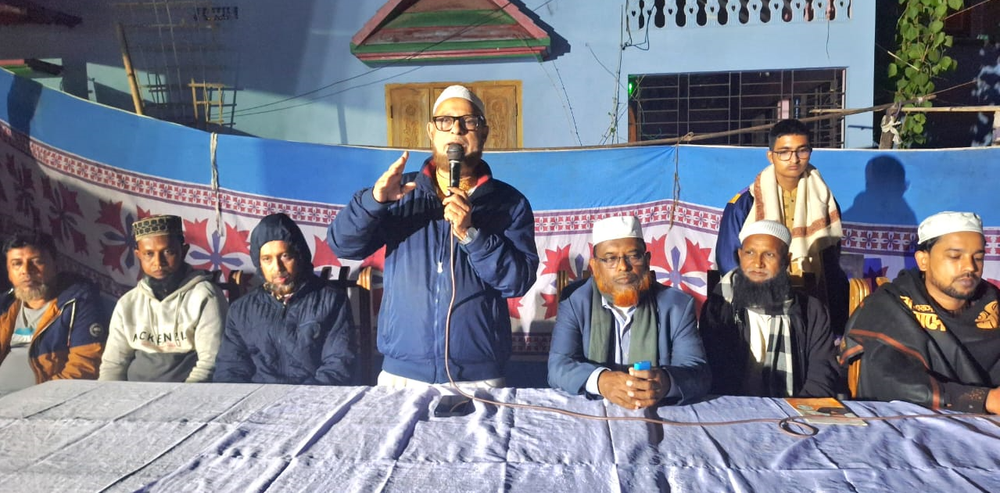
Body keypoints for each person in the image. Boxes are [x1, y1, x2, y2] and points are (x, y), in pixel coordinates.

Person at [328, 85, 538, 388]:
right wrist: (374, 202)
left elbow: (517, 282)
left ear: (484, 133)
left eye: (468, 122)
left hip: (478, 376)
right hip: (402, 374)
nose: (456, 129)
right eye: (445, 121)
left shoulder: (509, 202)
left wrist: (471, 235)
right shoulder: (400, 192)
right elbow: (343, 246)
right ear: (431, 131)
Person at [841, 211, 1000, 413]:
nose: (970, 267)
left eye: (978, 257)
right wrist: (983, 400)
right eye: (955, 256)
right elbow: (890, 380)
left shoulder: (992, 303)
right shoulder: (891, 306)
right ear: (923, 260)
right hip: (909, 422)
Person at [548, 216, 709, 409]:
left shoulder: (676, 306)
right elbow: (558, 366)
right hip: (592, 411)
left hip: (657, 411)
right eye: (610, 258)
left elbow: (698, 374)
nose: (623, 267)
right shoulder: (575, 301)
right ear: (595, 267)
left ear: (647, 261)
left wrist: (666, 382)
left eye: (633, 256)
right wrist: (601, 380)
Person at [715, 119, 849, 335]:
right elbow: (728, 259)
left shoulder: (825, 201)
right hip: (756, 303)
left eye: (801, 151)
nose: (794, 159)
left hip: (812, 302)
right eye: (784, 152)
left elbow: (830, 260)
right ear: (771, 156)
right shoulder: (746, 203)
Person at [700, 220, 837, 397]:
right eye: (750, 253)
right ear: (740, 256)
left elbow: (821, 378)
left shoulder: (811, 312)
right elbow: (710, 375)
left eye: (769, 255)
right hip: (730, 407)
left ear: (786, 260)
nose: (758, 263)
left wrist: (791, 411)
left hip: (792, 409)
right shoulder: (719, 307)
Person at [214, 213, 355, 385]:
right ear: (259, 263)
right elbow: (230, 370)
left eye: (285, 256)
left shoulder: (330, 301)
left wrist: (300, 398)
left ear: (300, 255)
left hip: (312, 396)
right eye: (267, 259)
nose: (277, 268)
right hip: (258, 396)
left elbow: (338, 365)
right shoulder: (241, 310)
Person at [99, 215, 227, 382]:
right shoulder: (128, 303)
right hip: (132, 393)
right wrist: (109, 395)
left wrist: (182, 395)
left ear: (184, 251)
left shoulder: (205, 296)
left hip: (188, 393)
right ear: (138, 255)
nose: (158, 263)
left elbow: (210, 363)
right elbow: (113, 365)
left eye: (168, 252)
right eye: (149, 254)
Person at [0, 232, 106, 392]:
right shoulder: (5, 305)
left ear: (55, 265)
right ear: (8, 271)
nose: (26, 271)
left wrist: (38, 399)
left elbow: (85, 366)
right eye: (17, 264)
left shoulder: (79, 302)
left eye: (37, 262)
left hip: (42, 401)